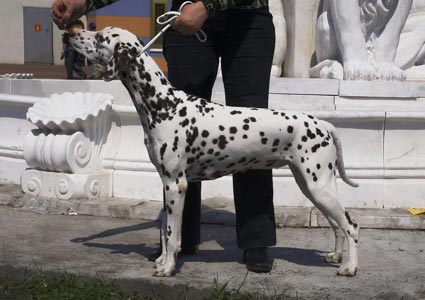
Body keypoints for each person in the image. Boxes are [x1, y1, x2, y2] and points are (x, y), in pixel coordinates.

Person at [52, 0, 276, 273]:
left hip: (247, 18)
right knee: (175, 135)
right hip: (184, 17)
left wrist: (208, 6)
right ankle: (179, 241)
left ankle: (256, 240)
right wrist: (83, 3)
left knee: (253, 134)